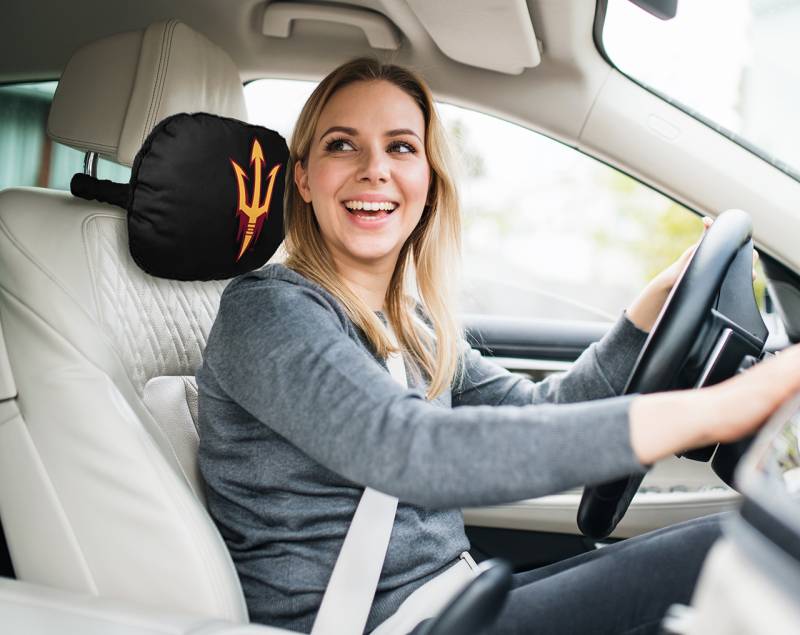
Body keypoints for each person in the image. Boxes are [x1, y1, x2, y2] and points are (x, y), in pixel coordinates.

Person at [196, 57, 800, 635]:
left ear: (429, 182)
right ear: (303, 178)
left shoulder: (412, 327)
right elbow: (411, 449)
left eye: (401, 147)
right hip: (378, 626)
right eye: (341, 145)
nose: (374, 168)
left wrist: (653, 306)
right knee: (734, 558)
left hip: (458, 597)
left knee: (732, 543)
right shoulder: (268, 311)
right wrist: (722, 407)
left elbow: (540, 411)